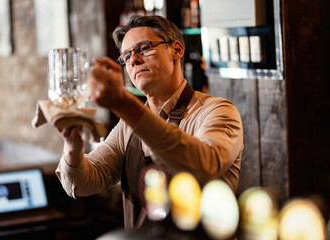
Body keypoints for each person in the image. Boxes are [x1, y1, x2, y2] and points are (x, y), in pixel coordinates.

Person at [56, 15, 243, 230]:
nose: (133, 60)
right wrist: (72, 147)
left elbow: (204, 166)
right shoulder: (127, 126)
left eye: (144, 48)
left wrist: (125, 105)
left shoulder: (217, 111)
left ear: (177, 50)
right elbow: (83, 183)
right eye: (126, 57)